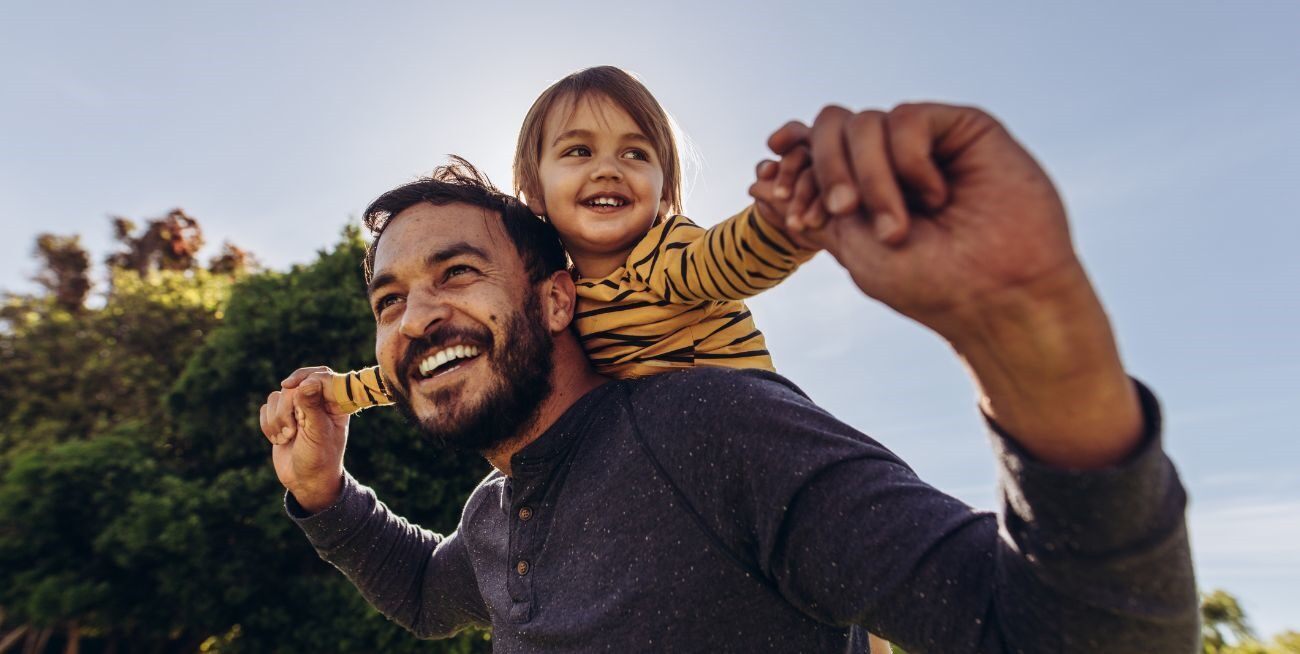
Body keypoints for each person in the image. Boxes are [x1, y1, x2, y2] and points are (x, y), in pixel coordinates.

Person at [260, 102, 1199, 652]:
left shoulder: (706, 428)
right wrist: (325, 494)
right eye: (389, 302)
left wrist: (1035, 335)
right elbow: (427, 594)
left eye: (456, 273)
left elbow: (1068, 634)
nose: (417, 317)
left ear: (555, 301)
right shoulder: (495, 517)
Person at [313, 66, 823, 416]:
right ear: (534, 189)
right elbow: (440, 353)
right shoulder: (562, 301)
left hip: (760, 432)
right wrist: (338, 394)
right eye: (579, 151)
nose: (608, 169)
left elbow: (728, 260)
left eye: (636, 154)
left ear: (664, 190)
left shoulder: (666, 251)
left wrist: (781, 223)